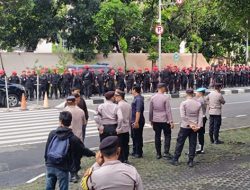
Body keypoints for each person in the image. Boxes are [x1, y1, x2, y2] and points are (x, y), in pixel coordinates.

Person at [45, 111, 93, 190]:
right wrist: (93, 154)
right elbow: (83, 150)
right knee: (63, 187)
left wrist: (47, 162)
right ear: (70, 122)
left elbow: (47, 149)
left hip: (50, 164)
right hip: (63, 166)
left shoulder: (52, 134)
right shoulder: (72, 138)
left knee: (49, 187)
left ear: (60, 121)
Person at [171, 89, 203, 167]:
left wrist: (190, 124)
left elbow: (183, 116)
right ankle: (190, 160)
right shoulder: (198, 104)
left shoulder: (184, 103)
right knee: (193, 143)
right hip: (195, 127)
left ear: (186, 94)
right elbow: (200, 116)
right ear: (193, 94)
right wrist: (198, 126)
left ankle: (175, 159)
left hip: (185, 126)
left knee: (180, 142)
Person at [63, 96, 87, 181]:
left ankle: (72, 174)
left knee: (69, 156)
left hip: (67, 137)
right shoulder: (81, 111)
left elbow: (61, 125)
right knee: (77, 157)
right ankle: (75, 173)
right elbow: (84, 123)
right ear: (75, 101)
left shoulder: (64, 111)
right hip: (78, 137)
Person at [149, 83, 174, 159]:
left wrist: (151, 120)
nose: (165, 89)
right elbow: (168, 111)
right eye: (165, 87)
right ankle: (166, 152)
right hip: (164, 119)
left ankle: (158, 154)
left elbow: (150, 110)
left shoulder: (153, 98)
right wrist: (171, 121)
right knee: (167, 135)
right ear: (162, 88)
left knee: (157, 136)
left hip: (156, 119)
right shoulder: (165, 98)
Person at [114, 89, 131, 163]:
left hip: (120, 128)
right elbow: (130, 117)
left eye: (116, 96)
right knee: (126, 145)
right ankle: (126, 158)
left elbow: (118, 118)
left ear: (120, 96)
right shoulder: (128, 104)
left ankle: (121, 159)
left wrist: (118, 128)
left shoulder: (118, 106)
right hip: (126, 128)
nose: (115, 97)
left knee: (119, 145)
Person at [131, 85, 145, 158]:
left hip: (138, 121)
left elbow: (138, 111)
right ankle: (135, 150)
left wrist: (136, 122)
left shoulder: (138, 99)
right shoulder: (136, 98)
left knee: (138, 137)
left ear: (134, 90)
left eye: (132, 89)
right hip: (134, 120)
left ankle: (138, 152)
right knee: (134, 136)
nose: (131, 91)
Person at [195, 87, 207, 154]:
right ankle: (201, 148)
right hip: (203, 117)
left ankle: (200, 149)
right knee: (201, 133)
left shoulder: (200, 100)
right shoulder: (204, 98)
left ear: (200, 93)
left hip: (200, 118)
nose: (196, 94)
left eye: (197, 92)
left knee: (199, 134)